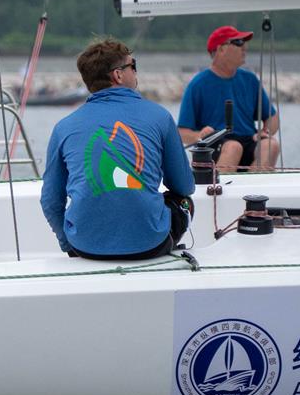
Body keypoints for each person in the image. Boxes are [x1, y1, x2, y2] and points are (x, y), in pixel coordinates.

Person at [40, 39, 195, 260]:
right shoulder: (159, 116)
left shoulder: (63, 127)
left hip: (84, 246)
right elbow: (184, 185)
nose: (136, 72)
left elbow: (50, 201)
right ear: (118, 75)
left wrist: (69, 245)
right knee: (183, 202)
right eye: (133, 66)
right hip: (150, 244)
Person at [178, 25, 279, 171]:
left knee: (271, 145)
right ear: (221, 49)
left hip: (248, 140)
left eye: (244, 42)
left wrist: (266, 131)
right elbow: (181, 133)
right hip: (216, 143)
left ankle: (252, 190)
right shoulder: (198, 84)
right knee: (233, 147)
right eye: (238, 43)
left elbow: (272, 118)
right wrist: (199, 135)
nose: (244, 47)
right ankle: (217, 191)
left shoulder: (250, 80)